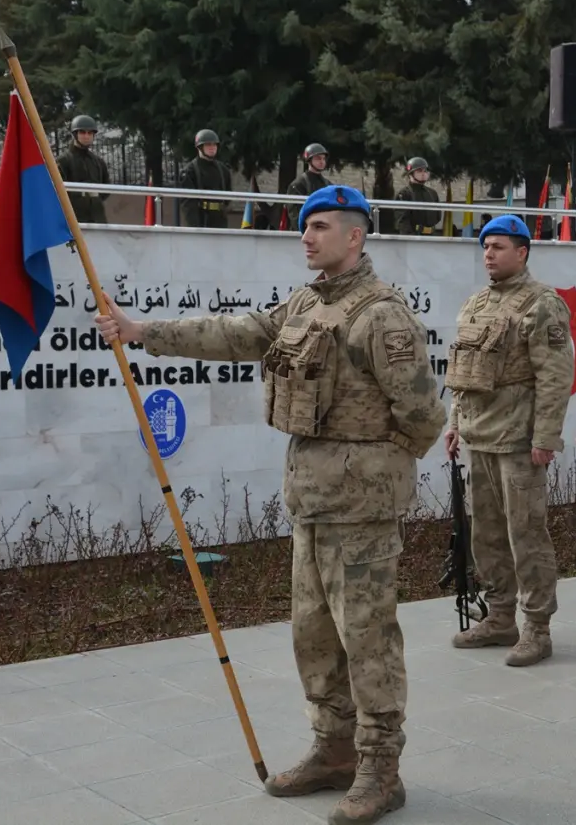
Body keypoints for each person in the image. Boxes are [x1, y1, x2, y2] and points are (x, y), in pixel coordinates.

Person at [92, 185, 445, 825]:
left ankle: (379, 769)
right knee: (314, 635)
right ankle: (334, 749)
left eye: (321, 226)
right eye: (304, 226)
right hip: (311, 501)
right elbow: (241, 332)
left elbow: (423, 414)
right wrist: (145, 332)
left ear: (356, 237)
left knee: (367, 639)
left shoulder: (381, 315)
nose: (306, 236)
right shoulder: (309, 302)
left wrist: (371, 464)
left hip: (360, 507)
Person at [444, 214, 573, 666]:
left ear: (521, 252)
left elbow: (556, 377)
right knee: (488, 535)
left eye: (498, 247)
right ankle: (500, 616)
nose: (489, 255)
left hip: (519, 441)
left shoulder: (542, 304)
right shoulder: (476, 304)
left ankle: (537, 627)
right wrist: (456, 423)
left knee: (527, 536)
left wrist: (545, 438)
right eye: (485, 247)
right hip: (480, 437)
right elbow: (465, 373)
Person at [55, 114, 110, 224]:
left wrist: (93, 198)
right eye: (82, 132)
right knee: (72, 242)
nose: (86, 136)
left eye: (90, 133)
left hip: (97, 217)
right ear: (75, 134)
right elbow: (58, 190)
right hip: (72, 218)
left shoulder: (98, 162)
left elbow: (106, 189)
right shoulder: (63, 161)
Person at [179, 129, 234, 228]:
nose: (212, 148)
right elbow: (188, 204)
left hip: (220, 220)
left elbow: (228, 195)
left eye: (214, 145)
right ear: (199, 147)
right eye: (208, 145)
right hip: (201, 219)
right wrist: (195, 228)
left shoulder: (223, 170)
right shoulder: (190, 171)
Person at [285, 143, 333, 231]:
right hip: (305, 233)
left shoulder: (329, 185)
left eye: (323, 158)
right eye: (318, 158)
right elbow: (295, 215)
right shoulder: (298, 184)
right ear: (309, 160)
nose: (322, 161)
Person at [394, 157, 442, 236]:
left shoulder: (432, 193)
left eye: (425, 171)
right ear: (411, 174)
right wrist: (411, 238)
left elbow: (437, 217)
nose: (423, 174)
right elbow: (402, 221)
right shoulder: (404, 194)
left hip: (432, 236)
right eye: (419, 171)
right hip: (414, 236)